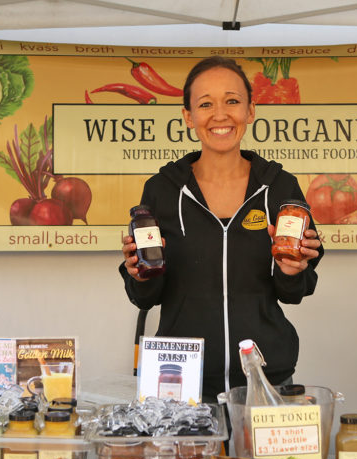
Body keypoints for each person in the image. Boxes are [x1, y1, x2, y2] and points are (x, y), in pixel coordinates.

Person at [120, 56, 323, 403]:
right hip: (181, 382)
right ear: (188, 116)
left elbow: (294, 291)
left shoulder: (279, 187)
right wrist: (139, 275)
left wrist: (294, 270)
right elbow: (147, 297)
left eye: (232, 101)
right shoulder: (163, 189)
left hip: (266, 379)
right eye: (205, 104)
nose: (220, 114)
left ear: (250, 109)